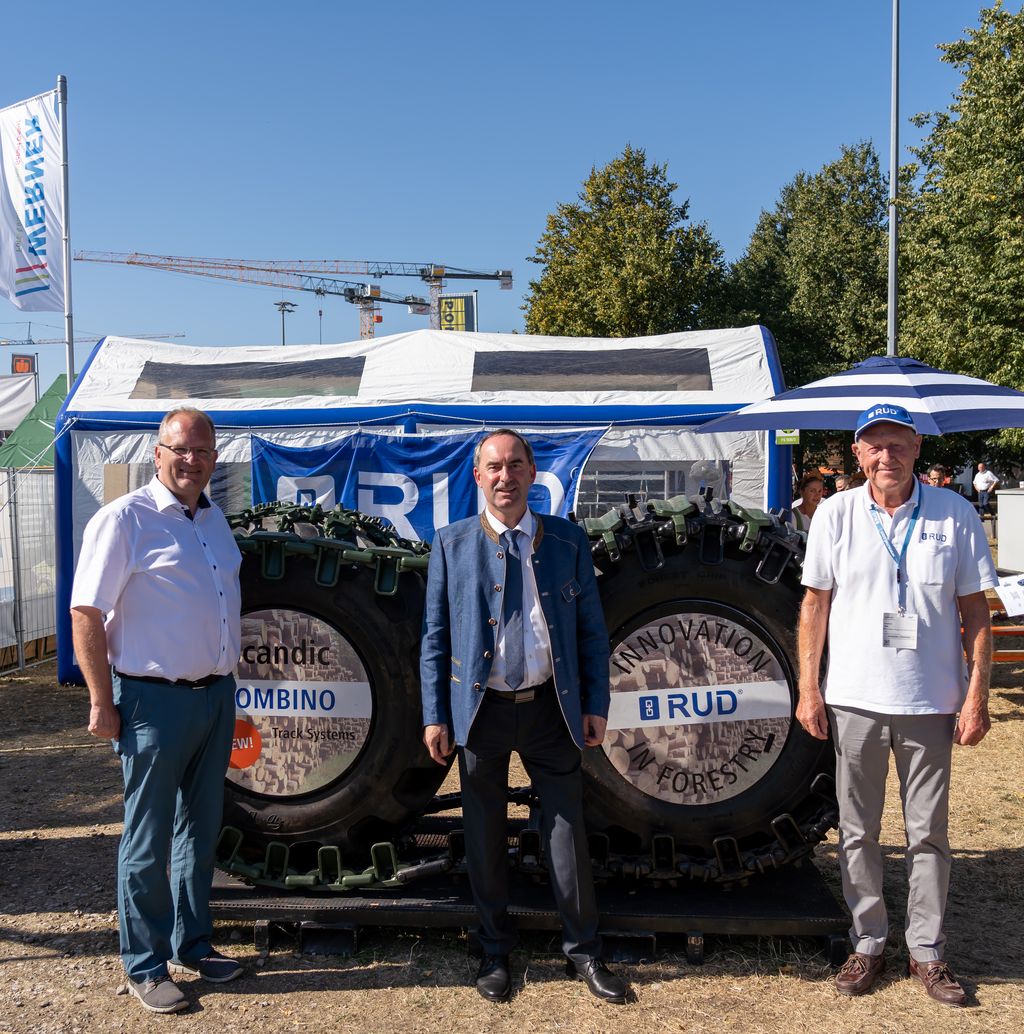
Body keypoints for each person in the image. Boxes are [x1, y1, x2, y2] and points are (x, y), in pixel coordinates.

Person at [796, 403, 995, 1008]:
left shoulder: (955, 513)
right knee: (857, 829)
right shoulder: (834, 514)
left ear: (916, 449)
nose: (887, 457)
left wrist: (976, 696)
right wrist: (809, 688)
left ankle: (927, 951)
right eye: (874, 446)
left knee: (927, 833)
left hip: (931, 699)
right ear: (858, 455)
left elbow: (975, 614)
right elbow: (814, 607)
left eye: (898, 445)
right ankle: (869, 940)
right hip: (854, 697)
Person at [420, 429, 628, 1005]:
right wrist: (436, 714)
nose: (505, 476)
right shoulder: (450, 544)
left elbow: (591, 632)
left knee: (566, 833)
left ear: (533, 474)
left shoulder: (566, 541)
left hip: (549, 709)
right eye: (494, 467)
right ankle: (493, 950)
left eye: (515, 465)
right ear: (477, 476)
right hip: (480, 711)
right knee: (483, 835)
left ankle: (584, 951)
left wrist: (595, 705)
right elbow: (435, 637)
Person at [70, 408, 243, 1015]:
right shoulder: (124, 519)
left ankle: (193, 944)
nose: (192, 460)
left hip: (214, 695)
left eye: (203, 451)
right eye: (180, 449)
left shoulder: (215, 520)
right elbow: (86, 614)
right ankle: (144, 964)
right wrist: (100, 699)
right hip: (151, 700)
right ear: (157, 453)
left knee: (200, 830)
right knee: (147, 840)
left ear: (214, 459)